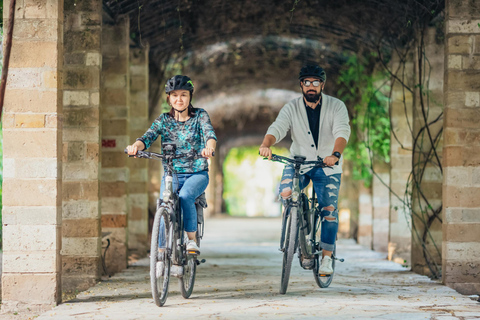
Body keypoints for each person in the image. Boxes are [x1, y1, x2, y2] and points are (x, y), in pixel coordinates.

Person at [259, 64, 350, 274]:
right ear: (301, 85)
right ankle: (298, 226)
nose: (311, 86)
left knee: (329, 211)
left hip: (327, 166)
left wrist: (335, 155)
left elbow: (342, 131)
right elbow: (278, 127)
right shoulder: (291, 107)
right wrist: (266, 145)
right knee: (286, 192)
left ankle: (327, 258)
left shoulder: (337, 106)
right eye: (307, 82)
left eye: (315, 82)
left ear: (322, 85)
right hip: (298, 163)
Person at [126, 75, 217, 255]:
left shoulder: (200, 116)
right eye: (174, 95)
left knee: (184, 196)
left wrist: (209, 148)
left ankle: (191, 241)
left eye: (183, 95)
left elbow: (210, 134)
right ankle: (160, 254)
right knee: (164, 204)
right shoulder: (163, 120)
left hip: (196, 173)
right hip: (171, 173)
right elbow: (147, 138)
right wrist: (135, 147)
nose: (179, 99)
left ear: (190, 97)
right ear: (169, 98)